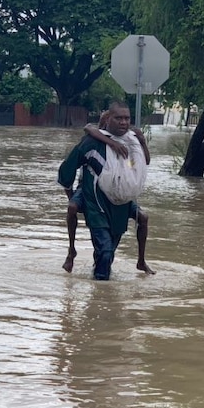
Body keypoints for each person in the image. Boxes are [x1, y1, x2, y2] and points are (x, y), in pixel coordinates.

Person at [58, 102, 152, 280]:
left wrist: (142, 141)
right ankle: (101, 300)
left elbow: (142, 163)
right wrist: (77, 199)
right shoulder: (92, 143)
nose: (123, 122)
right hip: (96, 203)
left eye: (127, 118)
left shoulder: (131, 141)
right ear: (108, 120)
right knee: (106, 251)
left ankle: (107, 280)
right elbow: (66, 173)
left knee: (107, 255)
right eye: (118, 118)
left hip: (121, 203)